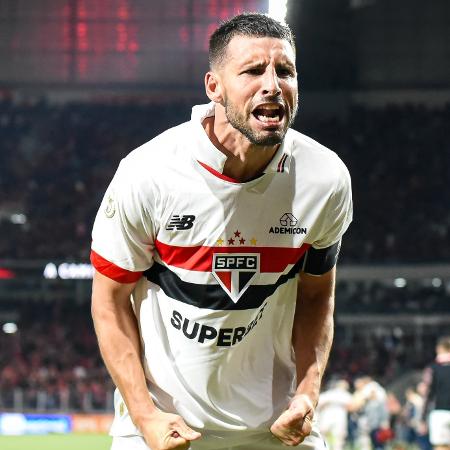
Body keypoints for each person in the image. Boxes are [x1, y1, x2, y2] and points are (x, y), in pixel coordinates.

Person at [90, 12, 352, 450]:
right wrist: (145, 416)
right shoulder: (149, 172)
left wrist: (307, 392)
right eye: (253, 70)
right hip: (162, 426)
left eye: (285, 70)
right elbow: (109, 303)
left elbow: (315, 295)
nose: (272, 84)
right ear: (214, 87)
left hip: (277, 428)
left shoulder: (325, 177)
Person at [421, 336, 450, 450]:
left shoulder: (432, 368)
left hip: (439, 413)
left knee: (440, 446)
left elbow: (427, 394)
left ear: (439, 349)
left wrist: (423, 418)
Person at [316, 379, 352, 450]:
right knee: (337, 439)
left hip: (329, 417)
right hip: (337, 419)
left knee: (324, 436)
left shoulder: (328, 394)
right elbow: (352, 406)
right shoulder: (345, 395)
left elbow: (318, 404)